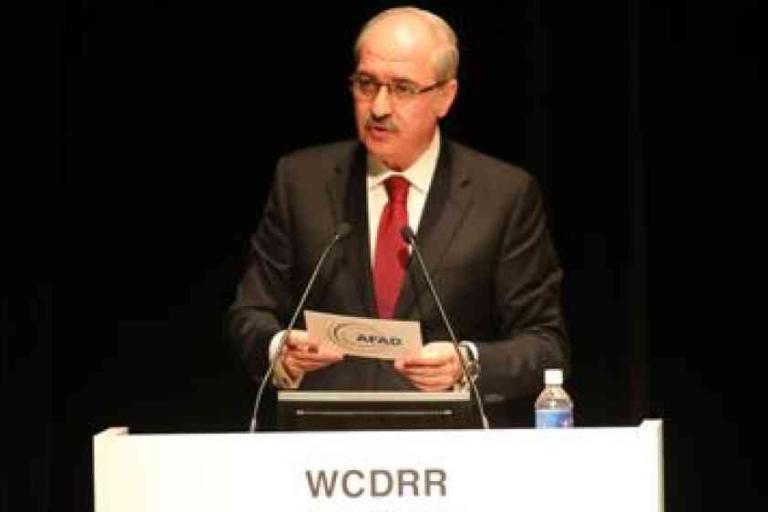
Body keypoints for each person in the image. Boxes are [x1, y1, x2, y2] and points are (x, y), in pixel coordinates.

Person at [227, 7, 568, 427]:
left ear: (445, 96)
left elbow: (544, 344)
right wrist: (279, 347)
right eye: (367, 85)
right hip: (324, 458)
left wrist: (467, 364)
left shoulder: (503, 195)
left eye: (403, 88)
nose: (379, 107)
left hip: (450, 454)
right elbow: (249, 314)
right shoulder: (301, 181)